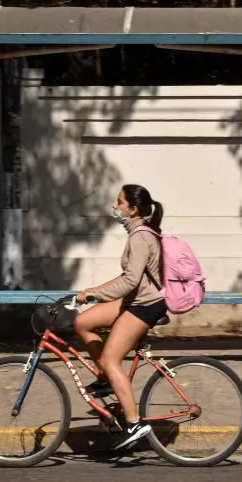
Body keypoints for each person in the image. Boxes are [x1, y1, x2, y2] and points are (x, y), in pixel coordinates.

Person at [74, 184, 167, 449]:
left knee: (111, 358)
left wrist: (96, 294)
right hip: (134, 299)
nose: (115, 207)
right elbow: (128, 279)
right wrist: (96, 290)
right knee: (83, 322)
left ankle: (135, 422)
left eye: (119, 202)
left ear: (133, 209)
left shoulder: (140, 237)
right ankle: (106, 380)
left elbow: (130, 281)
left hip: (146, 305)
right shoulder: (137, 233)